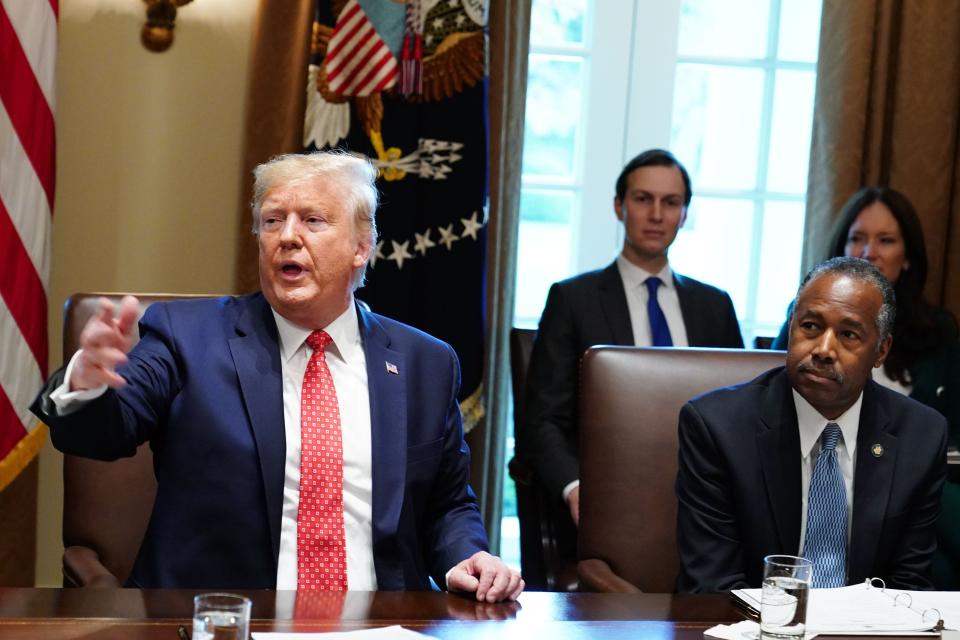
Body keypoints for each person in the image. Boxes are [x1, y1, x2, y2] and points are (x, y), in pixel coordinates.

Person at [31, 151, 523, 601]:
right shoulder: (187, 336)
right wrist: (88, 381)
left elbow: (447, 505)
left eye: (312, 220)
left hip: (380, 623)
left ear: (362, 246)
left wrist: (467, 556)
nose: (288, 236)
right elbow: (101, 433)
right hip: (225, 621)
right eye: (272, 220)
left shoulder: (426, 363)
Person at [676, 257, 948, 592]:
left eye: (848, 334)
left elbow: (908, 586)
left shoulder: (920, 436)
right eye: (811, 326)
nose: (823, 349)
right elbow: (711, 585)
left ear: (881, 351)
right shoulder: (717, 428)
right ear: (791, 326)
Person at [524, 148, 743, 527]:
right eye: (643, 199)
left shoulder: (715, 306)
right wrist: (575, 487)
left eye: (670, 202)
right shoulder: (573, 299)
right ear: (619, 207)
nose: (657, 214)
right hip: (608, 492)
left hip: (703, 495)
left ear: (684, 213)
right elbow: (543, 420)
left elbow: (741, 411)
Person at [770, 186, 960, 586]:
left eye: (885, 240)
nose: (868, 250)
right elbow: (770, 399)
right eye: (857, 237)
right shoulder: (801, 326)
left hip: (910, 504)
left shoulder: (937, 332)